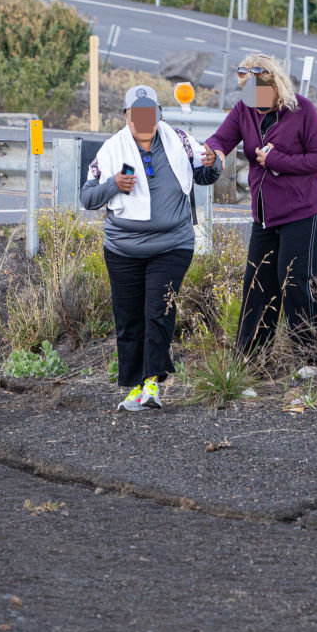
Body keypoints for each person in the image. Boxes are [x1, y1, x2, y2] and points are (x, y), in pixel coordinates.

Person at [81, 84, 222, 411]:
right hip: (122, 248)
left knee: (157, 311)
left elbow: (205, 174)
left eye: (151, 114)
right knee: (129, 319)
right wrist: (113, 184)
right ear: (127, 117)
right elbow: (87, 198)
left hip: (171, 245)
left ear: (159, 115)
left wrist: (213, 163)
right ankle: (133, 387)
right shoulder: (111, 150)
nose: (144, 122)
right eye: (136, 115)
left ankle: (152, 385)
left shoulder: (181, 141)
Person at [205, 53, 317, 362]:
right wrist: (213, 153)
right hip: (265, 215)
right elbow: (221, 138)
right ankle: (249, 361)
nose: (256, 98)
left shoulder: (302, 110)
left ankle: (312, 359)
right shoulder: (243, 110)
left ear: (276, 85)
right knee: (258, 284)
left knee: (295, 282)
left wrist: (276, 160)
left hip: (304, 210)